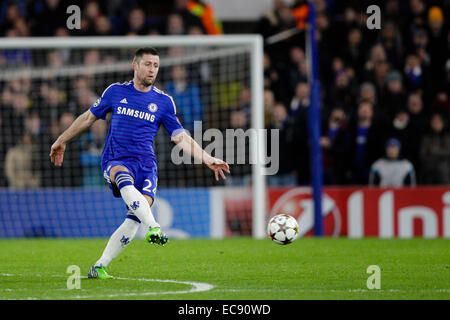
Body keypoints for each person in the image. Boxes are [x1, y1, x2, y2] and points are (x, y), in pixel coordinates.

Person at [49, 47, 230, 279]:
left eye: (156, 65)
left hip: (146, 166)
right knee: (124, 181)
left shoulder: (164, 101)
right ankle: (154, 226)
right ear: (135, 66)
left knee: (134, 219)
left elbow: (180, 137)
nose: (152, 69)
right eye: (147, 64)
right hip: (116, 159)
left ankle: (100, 266)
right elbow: (88, 117)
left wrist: (207, 158)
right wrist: (62, 140)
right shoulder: (115, 92)